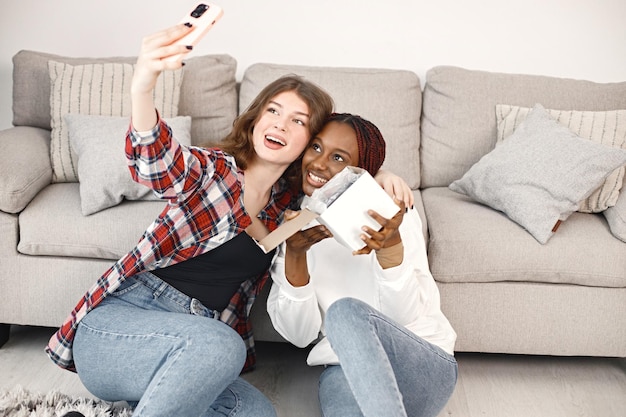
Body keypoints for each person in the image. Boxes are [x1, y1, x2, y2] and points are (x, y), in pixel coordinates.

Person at [46, 23, 334, 417]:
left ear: (309, 143)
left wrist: (382, 176)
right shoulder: (212, 169)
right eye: (273, 111)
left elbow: (345, 169)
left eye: (298, 121)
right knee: (221, 345)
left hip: (192, 346)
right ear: (254, 121)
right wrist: (142, 86)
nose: (280, 125)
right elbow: (158, 160)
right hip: (119, 331)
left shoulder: (286, 207)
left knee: (255, 413)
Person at [267, 113, 458, 417]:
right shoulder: (290, 228)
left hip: (419, 363)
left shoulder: (390, 214)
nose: (318, 163)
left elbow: (403, 317)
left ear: (361, 171)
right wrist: (295, 255)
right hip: (345, 371)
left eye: (338, 157)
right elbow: (299, 335)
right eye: (315, 148)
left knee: (345, 312)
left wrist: (390, 251)